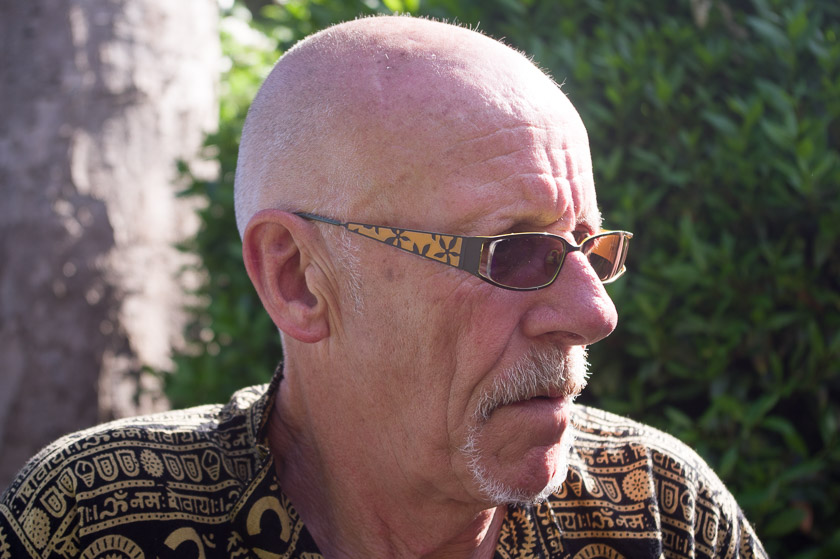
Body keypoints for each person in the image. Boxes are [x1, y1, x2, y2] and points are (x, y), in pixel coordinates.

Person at [0, 15, 766, 559]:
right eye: (514, 251)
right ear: (298, 279)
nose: (595, 312)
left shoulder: (662, 513)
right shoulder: (95, 520)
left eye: (591, 250)